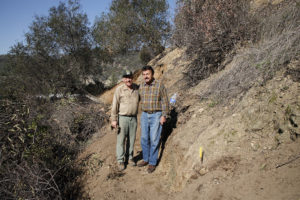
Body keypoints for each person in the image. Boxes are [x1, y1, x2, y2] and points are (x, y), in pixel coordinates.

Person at [137, 65, 170, 173]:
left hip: (156, 115)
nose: (146, 76)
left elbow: (165, 101)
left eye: (148, 74)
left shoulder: (159, 85)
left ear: (152, 74)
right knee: (144, 139)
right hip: (145, 115)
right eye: (144, 74)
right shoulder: (141, 86)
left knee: (155, 139)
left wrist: (164, 115)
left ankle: (152, 162)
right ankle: (146, 159)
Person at [111, 70, 139, 171]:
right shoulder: (119, 90)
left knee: (131, 140)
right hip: (122, 118)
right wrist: (114, 119)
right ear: (123, 79)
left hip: (134, 118)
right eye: (126, 77)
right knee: (121, 140)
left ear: (132, 78)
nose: (128, 79)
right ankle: (120, 160)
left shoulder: (136, 88)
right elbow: (115, 105)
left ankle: (130, 158)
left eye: (130, 77)